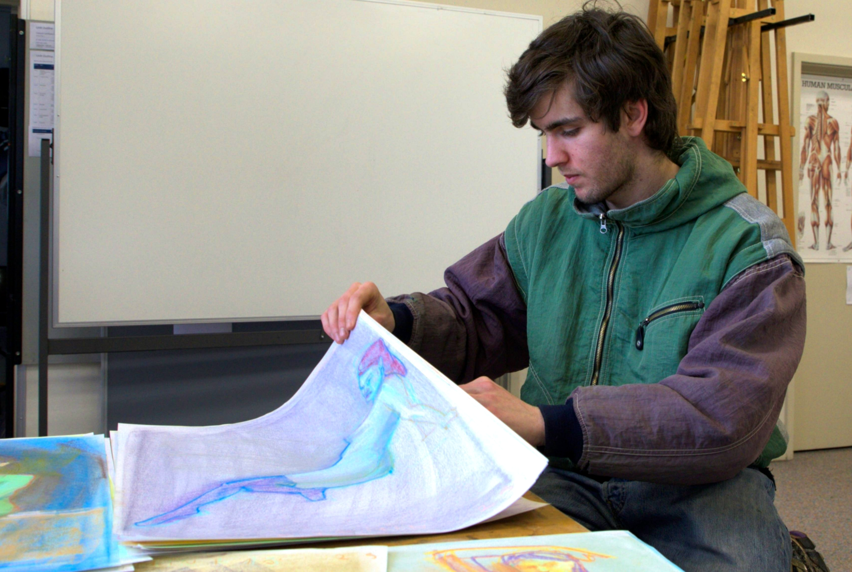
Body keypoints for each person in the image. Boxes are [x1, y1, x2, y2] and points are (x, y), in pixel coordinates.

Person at [322, 5, 805, 571]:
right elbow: (475, 317)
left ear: (633, 115)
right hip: (564, 474)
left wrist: (549, 423)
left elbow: (721, 417)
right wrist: (399, 321)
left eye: (568, 131)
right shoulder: (547, 222)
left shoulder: (750, 248)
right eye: (544, 134)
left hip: (703, 488)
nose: (553, 157)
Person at [799, 90, 842, 250]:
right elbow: (805, 145)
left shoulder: (825, 122)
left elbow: (806, 145)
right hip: (822, 161)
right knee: (820, 201)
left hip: (818, 161)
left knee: (819, 202)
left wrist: (840, 169)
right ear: (827, 102)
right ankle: (822, 243)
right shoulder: (828, 122)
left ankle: (821, 243)